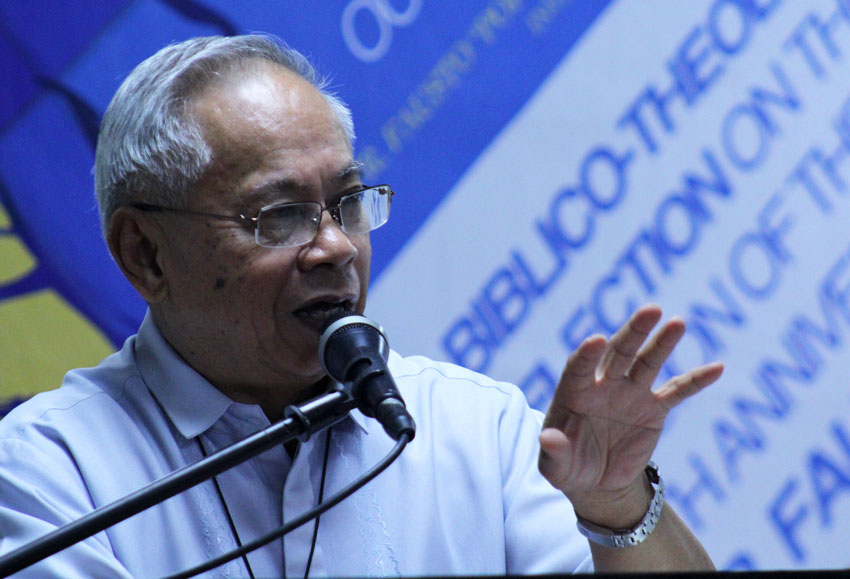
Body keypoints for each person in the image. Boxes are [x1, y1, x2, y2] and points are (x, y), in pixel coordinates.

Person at [0, 34, 724, 577]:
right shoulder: (50, 478)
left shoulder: (479, 427)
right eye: (279, 215)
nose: (335, 247)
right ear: (146, 255)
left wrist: (618, 504)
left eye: (347, 203)